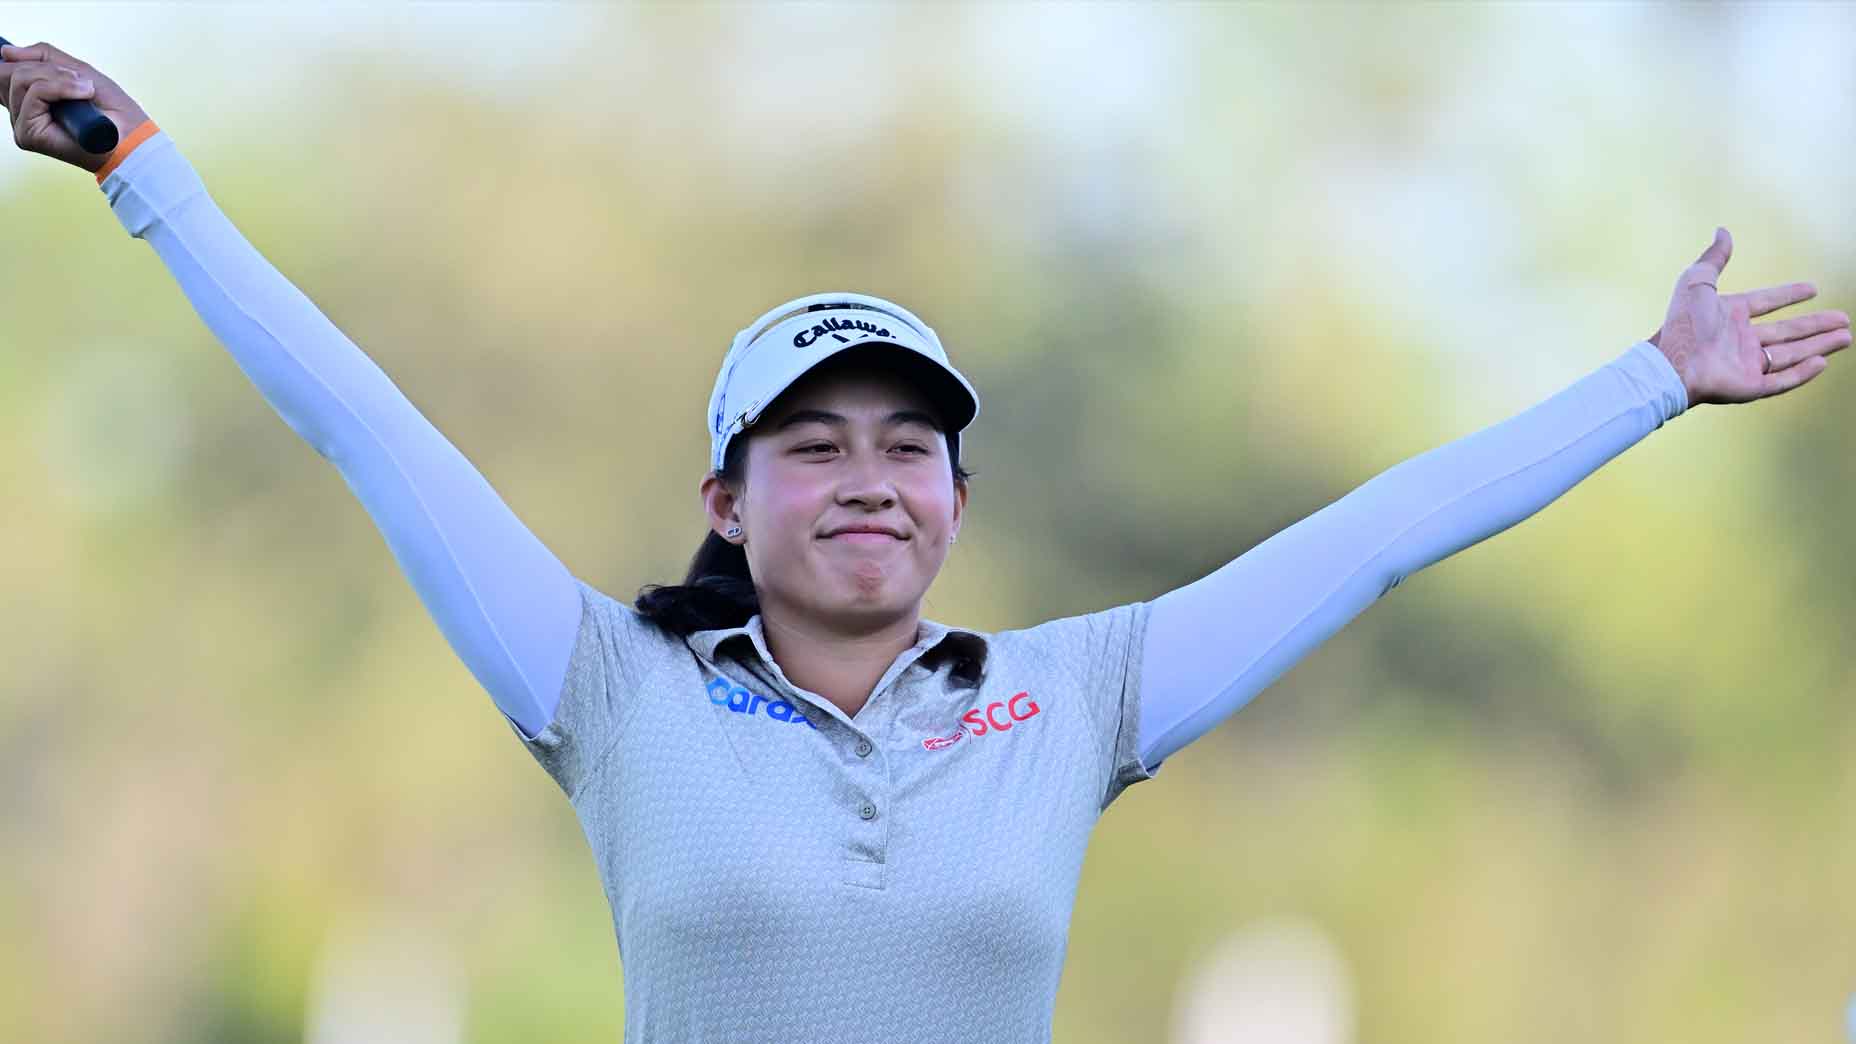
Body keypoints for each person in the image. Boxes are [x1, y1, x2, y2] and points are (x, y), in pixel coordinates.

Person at [6, 41, 1849, 1044]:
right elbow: (368, 428)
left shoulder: (1077, 698)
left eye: (913, 445)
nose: (872, 476)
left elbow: (1372, 539)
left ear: (961, 504)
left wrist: (1649, 382)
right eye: (812, 446)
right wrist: (142, 168)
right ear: (726, 501)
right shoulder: (605, 685)